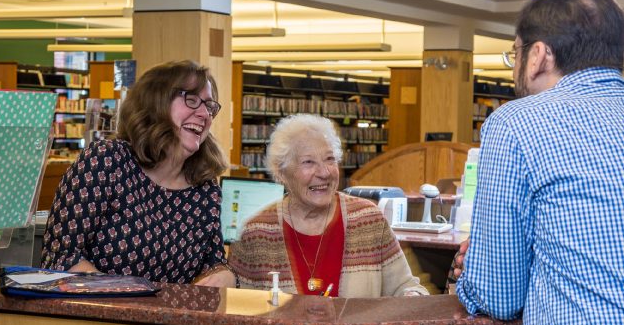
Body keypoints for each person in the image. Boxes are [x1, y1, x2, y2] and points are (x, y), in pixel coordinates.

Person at [455, 0, 624, 325]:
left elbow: (500, 296)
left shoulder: (517, 123)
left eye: (515, 52)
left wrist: (472, 273)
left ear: (538, 55)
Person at [41, 60, 236, 287]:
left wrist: (225, 276)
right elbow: (59, 258)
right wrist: (128, 295)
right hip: (97, 317)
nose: (204, 114)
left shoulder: (205, 186)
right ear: (156, 104)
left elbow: (213, 262)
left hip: (169, 320)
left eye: (210, 107)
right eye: (192, 100)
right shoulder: (106, 161)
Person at [228, 113, 428, 297]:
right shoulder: (256, 233)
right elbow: (239, 307)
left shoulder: (368, 219)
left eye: (329, 159)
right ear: (281, 173)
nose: (324, 172)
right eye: (308, 162)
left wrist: (413, 297)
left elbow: (406, 287)